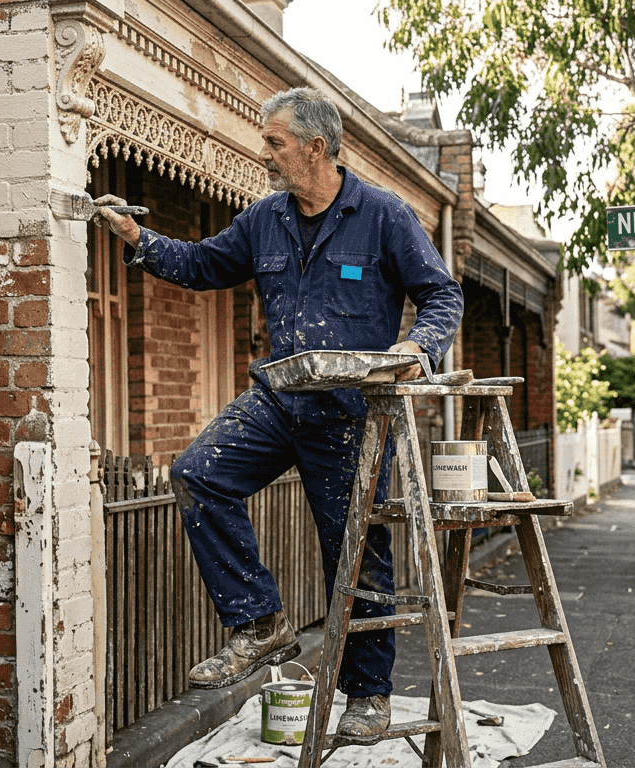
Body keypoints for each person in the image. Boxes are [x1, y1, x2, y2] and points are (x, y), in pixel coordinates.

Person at [94, 86, 463, 737]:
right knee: (198, 473)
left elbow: (442, 297)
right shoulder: (265, 218)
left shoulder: (384, 216)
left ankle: (368, 695)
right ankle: (258, 623)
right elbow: (205, 264)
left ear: (314, 147)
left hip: (352, 415)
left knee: (355, 555)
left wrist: (415, 347)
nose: (264, 153)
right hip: (277, 400)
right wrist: (138, 238)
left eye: (275, 142)